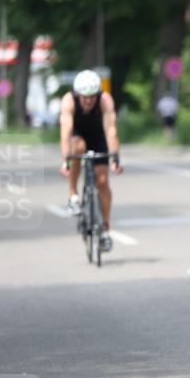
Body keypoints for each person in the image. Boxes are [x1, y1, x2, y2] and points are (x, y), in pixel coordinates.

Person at [59, 70, 123, 252]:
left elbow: (111, 130)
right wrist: (66, 161)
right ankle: (73, 194)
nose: (88, 101)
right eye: (84, 97)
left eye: (92, 97)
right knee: (77, 148)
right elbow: (65, 132)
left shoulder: (105, 100)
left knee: (102, 181)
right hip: (77, 135)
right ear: (78, 94)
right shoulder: (68, 100)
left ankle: (105, 228)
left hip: (98, 135)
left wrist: (115, 158)